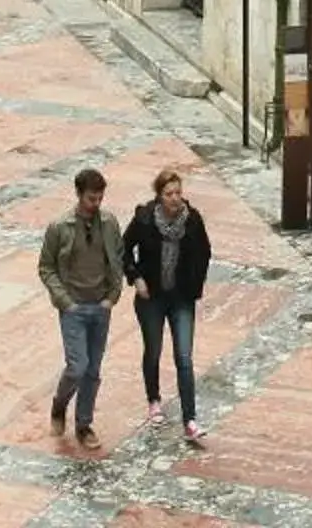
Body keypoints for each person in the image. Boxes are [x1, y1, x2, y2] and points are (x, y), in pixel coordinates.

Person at [121, 167, 214, 446]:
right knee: (154, 350)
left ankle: (190, 420)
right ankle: (154, 400)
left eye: (178, 193)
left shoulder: (192, 221)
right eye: (169, 193)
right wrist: (135, 277)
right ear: (159, 196)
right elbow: (123, 248)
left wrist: (195, 284)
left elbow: (205, 252)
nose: (175, 199)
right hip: (152, 297)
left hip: (181, 298)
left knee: (184, 357)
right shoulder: (145, 219)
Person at [38, 166, 126, 448]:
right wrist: (65, 300)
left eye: (99, 198)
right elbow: (46, 267)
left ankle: (84, 424)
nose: (95, 204)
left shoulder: (110, 224)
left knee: (93, 370)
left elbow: (118, 259)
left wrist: (112, 295)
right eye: (91, 198)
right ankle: (59, 404)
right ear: (79, 195)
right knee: (78, 365)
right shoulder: (59, 228)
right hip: (74, 306)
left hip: (100, 305)